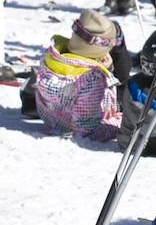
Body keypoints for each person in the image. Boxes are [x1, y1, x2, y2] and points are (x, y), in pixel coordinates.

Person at [35, 8, 125, 142]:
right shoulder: (92, 80)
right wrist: (120, 122)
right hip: (74, 126)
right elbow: (85, 131)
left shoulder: (51, 56)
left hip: (51, 119)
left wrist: (105, 69)